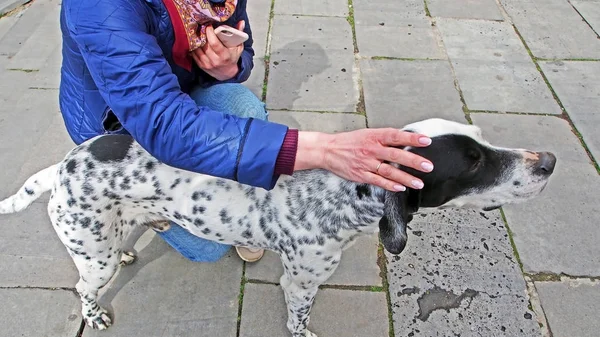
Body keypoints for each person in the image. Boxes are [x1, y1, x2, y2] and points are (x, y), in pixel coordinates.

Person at [58, 0, 434, 263]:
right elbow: (162, 123)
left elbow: (244, 47)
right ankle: (151, 208)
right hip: (123, 129)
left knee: (244, 107)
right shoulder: (97, 5)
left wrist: (228, 69)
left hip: (182, 90)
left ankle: (221, 197)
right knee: (208, 250)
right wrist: (325, 150)